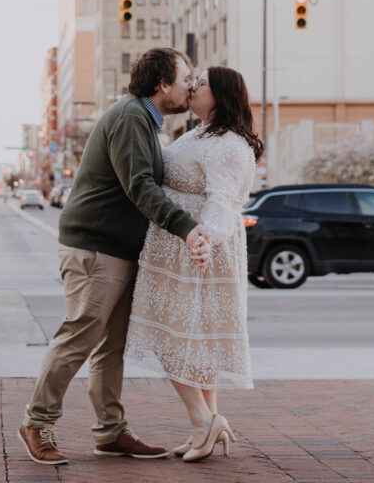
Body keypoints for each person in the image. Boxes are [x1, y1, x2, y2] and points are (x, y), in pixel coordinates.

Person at [18, 48, 211, 466]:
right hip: (95, 246)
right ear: (162, 84)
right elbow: (139, 186)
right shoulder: (129, 117)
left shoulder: (145, 121)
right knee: (80, 335)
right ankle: (37, 422)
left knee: (111, 347)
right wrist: (187, 227)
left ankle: (109, 432)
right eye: (186, 77)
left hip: (119, 250)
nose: (191, 86)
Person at [124, 65, 263, 462]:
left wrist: (204, 242)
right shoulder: (201, 133)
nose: (192, 88)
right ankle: (206, 426)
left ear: (219, 95)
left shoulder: (227, 145)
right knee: (194, 342)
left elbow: (223, 203)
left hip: (194, 249)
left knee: (172, 337)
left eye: (199, 84)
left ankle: (203, 420)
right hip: (178, 245)